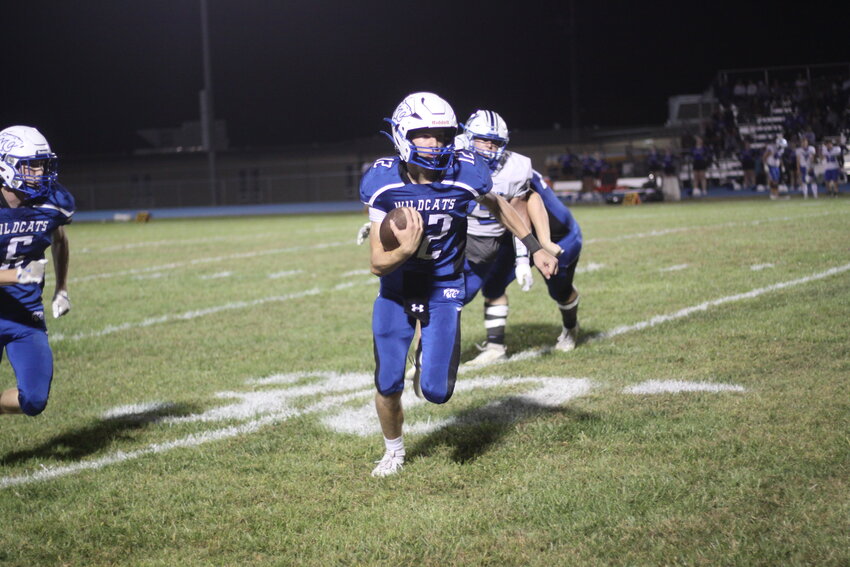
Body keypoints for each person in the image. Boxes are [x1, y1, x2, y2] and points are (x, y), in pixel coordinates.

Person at [359, 93, 556, 477]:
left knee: (437, 392)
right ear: (402, 135)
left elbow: (499, 204)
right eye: (424, 135)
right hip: (395, 291)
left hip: (445, 287)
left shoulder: (467, 170)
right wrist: (406, 250)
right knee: (387, 382)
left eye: (441, 135)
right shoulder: (382, 182)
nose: (434, 144)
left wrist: (533, 247)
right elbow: (377, 264)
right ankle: (394, 452)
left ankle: (426, 363)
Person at [453, 109, 558, 366]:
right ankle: (429, 358)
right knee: (440, 298)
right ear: (468, 137)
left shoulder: (516, 167)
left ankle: (494, 347)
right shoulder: (451, 157)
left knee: (491, 288)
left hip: (491, 240)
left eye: (496, 142)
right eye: (482, 140)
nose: (489, 147)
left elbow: (519, 211)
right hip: (455, 237)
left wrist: (523, 258)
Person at [0, 125, 74, 417]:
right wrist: (18, 276)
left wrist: (62, 288)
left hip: (25, 316)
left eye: (42, 165)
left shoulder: (53, 203)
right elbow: (23, 272)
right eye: (31, 166)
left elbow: (60, 241)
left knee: (34, 400)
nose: (40, 173)